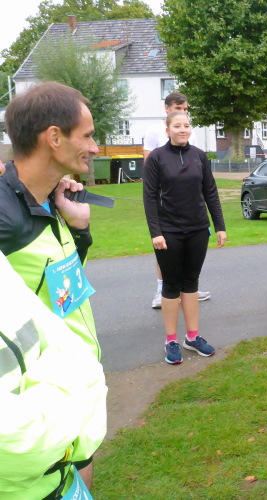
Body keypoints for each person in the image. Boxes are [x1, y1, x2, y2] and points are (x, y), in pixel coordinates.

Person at [0, 81, 102, 488]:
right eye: (88, 136)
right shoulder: (4, 212)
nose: (95, 147)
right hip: (35, 410)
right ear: (54, 137)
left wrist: (78, 229)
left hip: (74, 385)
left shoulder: (51, 199)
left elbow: (61, 284)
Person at [0, 245, 107, 500]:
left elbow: (84, 361)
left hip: (63, 479)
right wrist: (79, 412)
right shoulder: (11, 224)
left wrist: (81, 233)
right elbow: (17, 444)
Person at [143, 111, 227, 364]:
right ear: (167, 130)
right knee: (171, 285)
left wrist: (219, 226)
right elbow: (149, 197)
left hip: (198, 229)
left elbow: (210, 192)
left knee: (191, 283)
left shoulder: (199, 156)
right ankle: (171, 340)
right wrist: (156, 232)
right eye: (177, 126)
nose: (182, 129)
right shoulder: (157, 158)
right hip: (168, 232)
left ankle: (192, 337)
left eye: (186, 125)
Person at [143, 91, 211, 309]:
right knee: (167, 253)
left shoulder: (190, 134)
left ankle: (189, 288)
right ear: (167, 109)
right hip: (167, 205)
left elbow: (197, 166)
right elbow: (150, 167)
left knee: (190, 267)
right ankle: (161, 287)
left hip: (192, 211)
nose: (182, 113)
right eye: (178, 108)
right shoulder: (154, 131)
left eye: (185, 109)